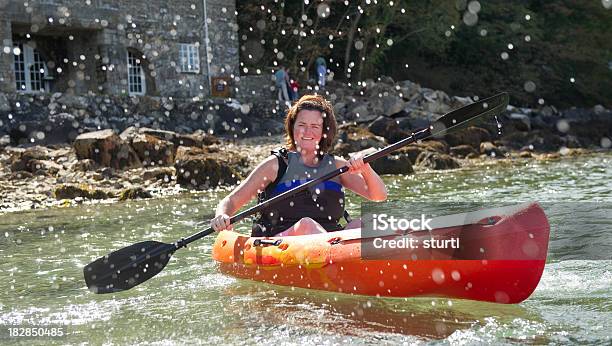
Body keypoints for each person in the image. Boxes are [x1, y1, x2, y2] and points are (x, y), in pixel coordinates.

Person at [211, 94, 387, 237]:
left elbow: (379, 196)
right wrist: (222, 215)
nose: (307, 132)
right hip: (281, 244)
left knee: (365, 222)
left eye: (315, 126)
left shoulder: (337, 166)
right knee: (307, 225)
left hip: (330, 243)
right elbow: (231, 201)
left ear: (324, 132)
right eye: (301, 125)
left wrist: (366, 169)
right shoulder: (276, 165)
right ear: (292, 127)